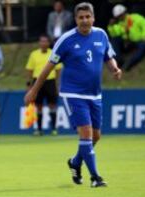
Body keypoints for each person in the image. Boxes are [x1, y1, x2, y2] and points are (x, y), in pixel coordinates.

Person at [25, 2, 122, 187]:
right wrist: (34, 90)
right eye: (81, 17)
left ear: (93, 18)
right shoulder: (66, 40)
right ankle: (95, 177)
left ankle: (75, 162)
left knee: (96, 136)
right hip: (73, 94)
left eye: (88, 17)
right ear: (75, 19)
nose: (85, 20)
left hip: (95, 95)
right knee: (85, 133)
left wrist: (115, 70)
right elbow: (48, 67)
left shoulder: (101, 35)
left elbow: (108, 58)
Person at [25, 34, 62, 136]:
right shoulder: (34, 54)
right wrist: (29, 85)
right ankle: (39, 129)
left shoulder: (53, 53)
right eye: (42, 41)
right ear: (39, 43)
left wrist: (58, 84)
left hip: (50, 81)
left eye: (45, 41)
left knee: (52, 105)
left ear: (49, 43)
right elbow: (29, 70)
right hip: (37, 82)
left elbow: (58, 69)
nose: (43, 43)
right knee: (38, 106)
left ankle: (54, 128)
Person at [108, 4, 145, 71]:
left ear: (124, 12)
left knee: (144, 46)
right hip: (128, 42)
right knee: (114, 40)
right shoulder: (120, 23)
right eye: (118, 16)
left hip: (140, 41)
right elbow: (114, 33)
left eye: (121, 15)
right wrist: (111, 26)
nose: (120, 17)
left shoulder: (135, 17)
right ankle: (119, 61)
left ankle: (129, 65)